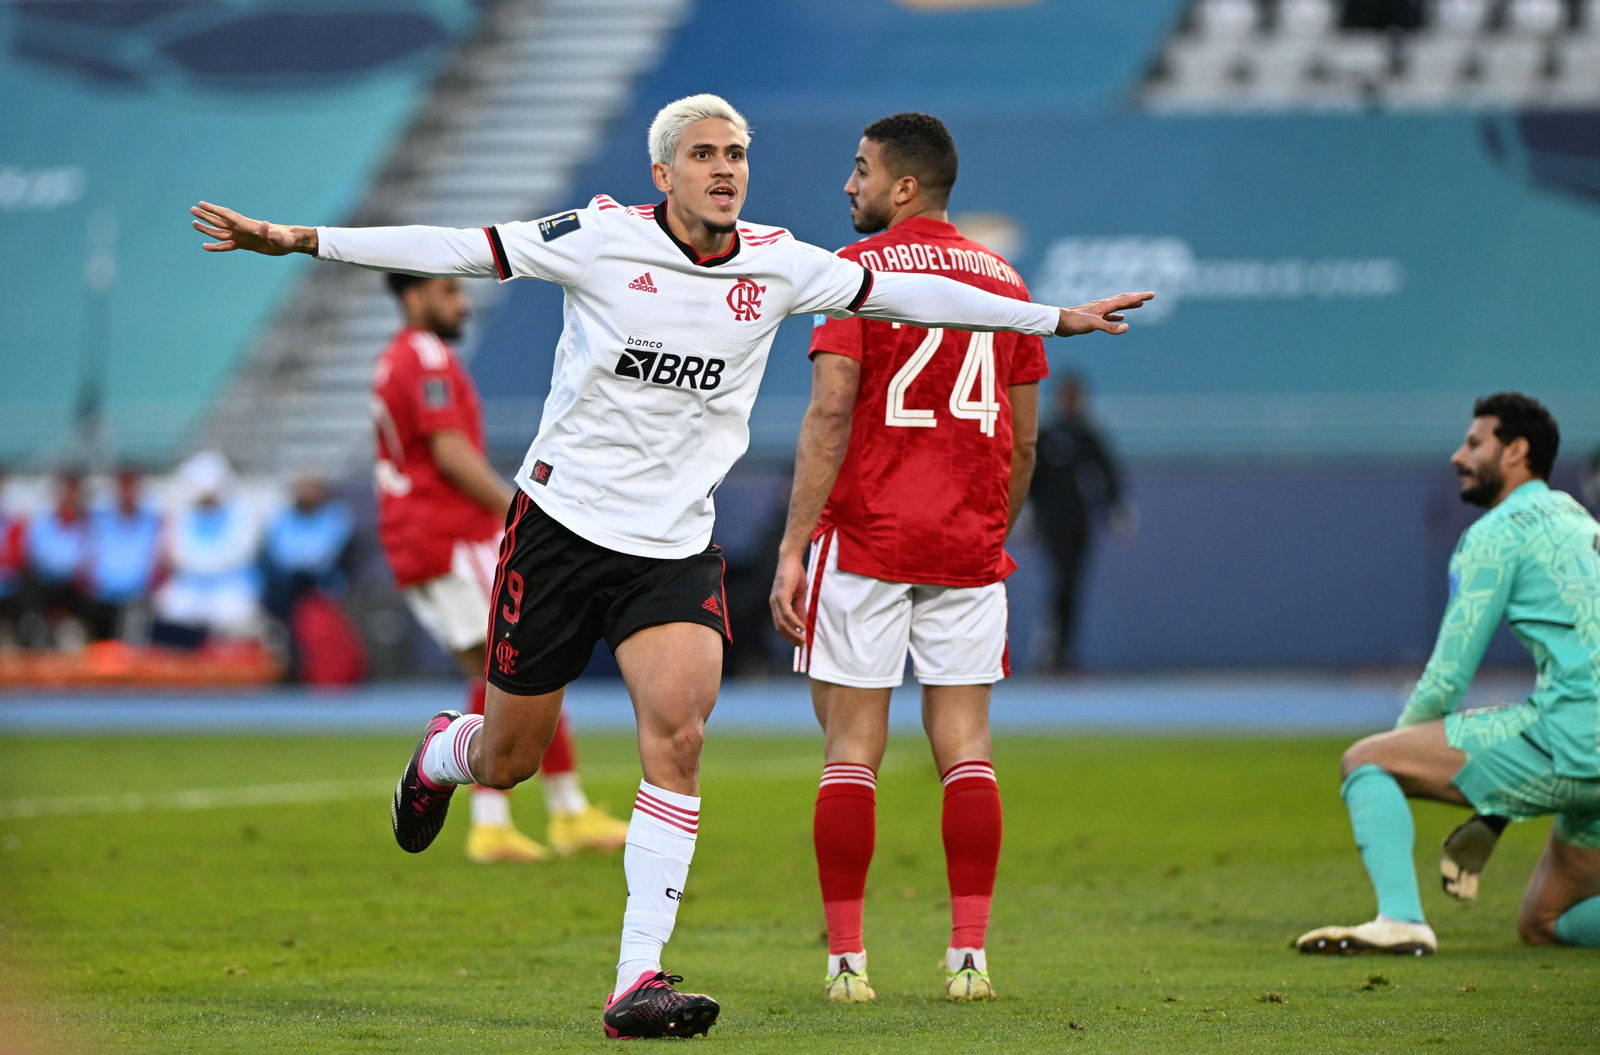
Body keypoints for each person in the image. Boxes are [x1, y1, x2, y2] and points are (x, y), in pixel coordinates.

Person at [190, 91, 1152, 1039]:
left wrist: (1050, 319)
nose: (725, 168)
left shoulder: (779, 263)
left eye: (736, 154)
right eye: (704, 154)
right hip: (561, 528)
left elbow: (916, 294)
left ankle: (637, 979)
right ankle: (445, 753)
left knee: (681, 735)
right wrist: (299, 238)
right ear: (663, 173)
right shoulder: (599, 238)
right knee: (510, 758)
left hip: (674, 546)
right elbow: (456, 247)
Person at [767, 112, 1043, 1004]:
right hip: (968, 545)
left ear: (905, 186)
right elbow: (1024, 442)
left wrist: (792, 546)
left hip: (869, 538)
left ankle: (848, 964)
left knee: (852, 749)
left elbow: (829, 414)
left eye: (862, 169)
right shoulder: (1006, 281)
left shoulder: (856, 273)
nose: (850, 184)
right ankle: (969, 957)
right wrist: (990, 529)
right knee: (967, 749)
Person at [1296, 392, 1600, 956]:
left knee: (1366, 761)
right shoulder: (1578, 519)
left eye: (1474, 443)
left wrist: (1398, 756)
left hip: (1575, 737)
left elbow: (1446, 680)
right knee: (1546, 920)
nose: (1458, 456)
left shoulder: (1496, 532)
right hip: (1584, 746)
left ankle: (1401, 921)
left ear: (1516, 451)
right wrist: (1494, 815)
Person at [373, 271, 626, 864]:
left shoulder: (400, 358)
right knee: (509, 667)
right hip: (448, 535)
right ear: (413, 296)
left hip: (431, 534)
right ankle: (506, 819)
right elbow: (451, 453)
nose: (461, 304)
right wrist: (521, 513)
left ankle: (557, 811)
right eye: (448, 291)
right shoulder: (424, 357)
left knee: (517, 663)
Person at [1027, 372, 1130, 672]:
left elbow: (1107, 473)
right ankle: (1050, 645)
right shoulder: (1046, 435)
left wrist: (1116, 509)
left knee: (1073, 583)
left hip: (1080, 521)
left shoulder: (1088, 435)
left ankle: (1063, 651)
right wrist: (1027, 513)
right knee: (1061, 580)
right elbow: (1031, 476)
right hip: (1051, 521)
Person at [152, 451, 263, 644]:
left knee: (234, 613)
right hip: (191, 586)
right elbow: (174, 552)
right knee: (170, 606)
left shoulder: (242, 511)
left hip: (229, 586)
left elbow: (238, 553)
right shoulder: (184, 512)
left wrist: (202, 565)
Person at [84, 466, 164, 642]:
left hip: (138, 599)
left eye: (131, 486)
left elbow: (158, 563)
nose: (127, 492)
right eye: (124, 486)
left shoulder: (152, 522)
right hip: (103, 598)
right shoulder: (101, 521)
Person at [21, 467, 93, 648]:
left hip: (74, 590)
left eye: (73, 491)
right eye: (66, 491)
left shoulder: (88, 525)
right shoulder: (42, 523)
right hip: (46, 586)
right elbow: (38, 558)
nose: (69, 497)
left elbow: (87, 562)